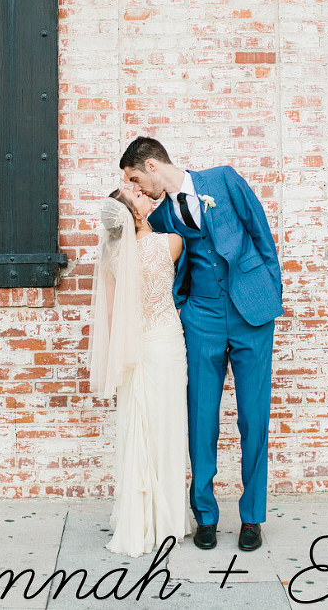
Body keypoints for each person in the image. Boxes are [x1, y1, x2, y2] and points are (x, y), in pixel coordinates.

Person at [120, 137, 282, 552]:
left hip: (251, 314)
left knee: (254, 418)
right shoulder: (161, 215)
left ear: (153, 166)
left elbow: (262, 235)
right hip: (202, 318)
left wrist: (271, 290)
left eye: (136, 177)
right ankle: (205, 516)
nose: (136, 186)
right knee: (201, 419)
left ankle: (251, 518)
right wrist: (180, 310)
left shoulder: (224, 181)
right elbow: (150, 262)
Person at [88, 187, 189, 557]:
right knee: (167, 427)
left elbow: (113, 315)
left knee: (137, 426)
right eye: (140, 197)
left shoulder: (110, 253)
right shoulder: (171, 244)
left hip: (133, 347)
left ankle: (139, 516)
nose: (146, 195)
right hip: (164, 342)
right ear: (136, 215)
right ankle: (169, 520)